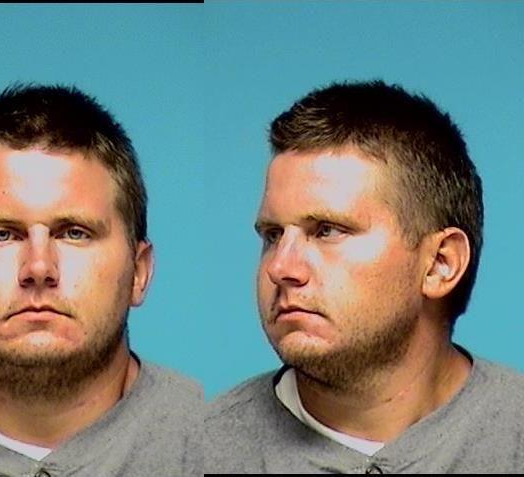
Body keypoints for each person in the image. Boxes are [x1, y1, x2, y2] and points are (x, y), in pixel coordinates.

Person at [205, 80, 524, 473]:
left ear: (440, 263)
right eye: (273, 235)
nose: (280, 268)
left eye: (327, 230)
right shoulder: (198, 452)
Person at [0, 84, 202, 476]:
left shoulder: (213, 441)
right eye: (2, 235)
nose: (38, 268)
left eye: (74, 233)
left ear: (139, 271)